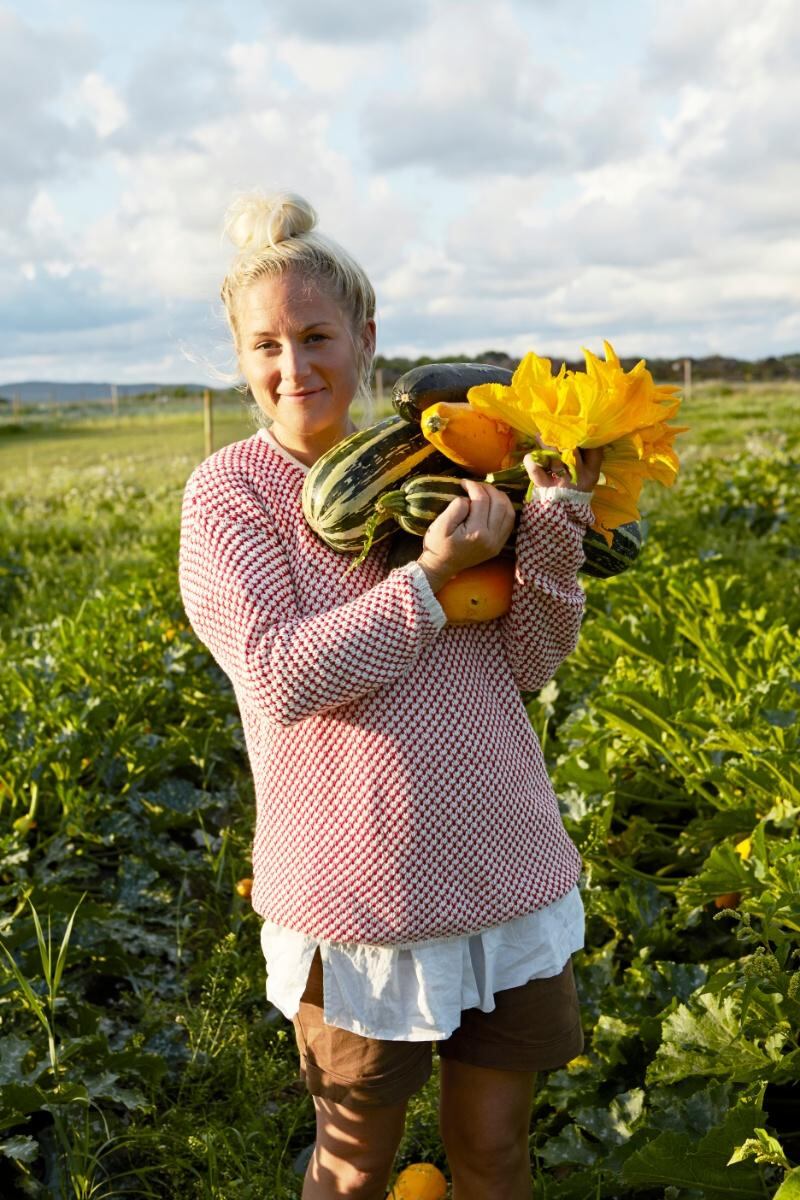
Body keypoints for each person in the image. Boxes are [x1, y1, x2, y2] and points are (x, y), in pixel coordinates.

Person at [178, 190, 603, 1200]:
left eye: (317, 335)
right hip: (357, 897)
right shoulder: (230, 494)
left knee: (494, 1154)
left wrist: (554, 515)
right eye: (267, 346)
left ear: (366, 337)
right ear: (239, 358)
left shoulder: (451, 459)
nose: (295, 368)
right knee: (355, 1161)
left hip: (505, 871)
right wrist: (425, 582)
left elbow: (531, 658)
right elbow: (278, 672)